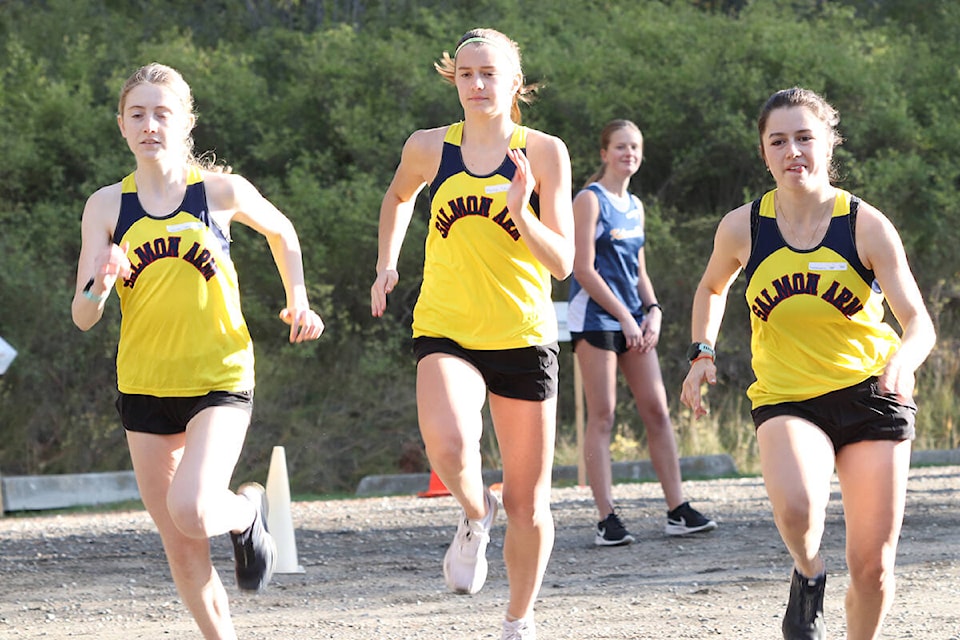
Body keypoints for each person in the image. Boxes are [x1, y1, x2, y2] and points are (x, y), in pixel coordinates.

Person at [71, 63, 325, 640]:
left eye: (162, 113)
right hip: (144, 387)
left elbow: (282, 232)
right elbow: (83, 316)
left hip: (219, 376)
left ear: (185, 122)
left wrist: (299, 300)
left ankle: (245, 513)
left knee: (194, 510)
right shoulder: (107, 207)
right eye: (137, 114)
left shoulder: (218, 193)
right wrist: (101, 284)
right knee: (183, 549)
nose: (150, 124)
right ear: (121, 125)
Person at [680, 87, 935, 640]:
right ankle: (808, 571)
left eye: (804, 138)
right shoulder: (743, 227)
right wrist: (702, 351)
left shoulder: (864, 225)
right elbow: (711, 288)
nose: (792, 150)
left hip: (873, 395)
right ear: (763, 152)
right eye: (779, 140)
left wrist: (905, 362)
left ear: (827, 145)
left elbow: (918, 321)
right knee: (798, 510)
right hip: (788, 398)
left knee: (873, 565)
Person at [370, 28, 574, 640]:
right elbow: (399, 196)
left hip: (522, 335)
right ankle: (471, 508)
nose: (477, 84)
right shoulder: (430, 147)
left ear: (516, 82)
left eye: (490, 74)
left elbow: (562, 262)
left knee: (529, 505)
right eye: (466, 74)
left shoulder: (543, 152)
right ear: (453, 79)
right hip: (446, 327)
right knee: (452, 448)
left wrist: (519, 211)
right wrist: (387, 262)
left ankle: (518, 619)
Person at [568, 119, 717, 546]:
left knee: (657, 408)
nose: (628, 153)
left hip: (634, 319)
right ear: (604, 153)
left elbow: (638, 271)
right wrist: (625, 316)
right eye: (620, 147)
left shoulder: (635, 206)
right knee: (604, 414)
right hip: (595, 319)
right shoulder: (589, 200)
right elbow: (583, 269)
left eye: (634, 147)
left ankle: (677, 509)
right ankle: (606, 518)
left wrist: (652, 311)